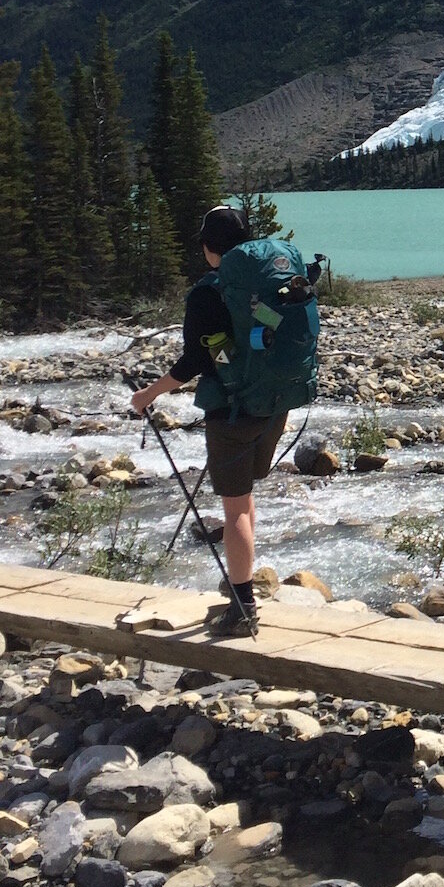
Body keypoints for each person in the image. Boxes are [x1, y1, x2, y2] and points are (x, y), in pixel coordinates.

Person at [130, 204, 283, 638]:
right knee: (246, 494)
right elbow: (273, 331)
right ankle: (242, 582)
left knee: (233, 507)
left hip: (232, 410)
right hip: (274, 403)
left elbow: (195, 361)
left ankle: (242, 606)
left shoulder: (206, 292)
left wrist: (148, 395)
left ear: (206, 247)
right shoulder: (263, 284)